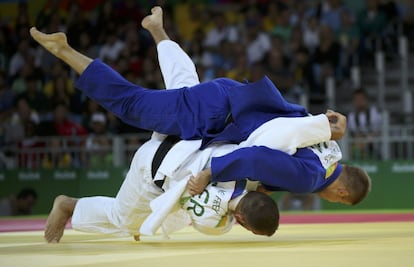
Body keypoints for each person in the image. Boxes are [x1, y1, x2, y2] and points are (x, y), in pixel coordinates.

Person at [41, 9, 344, 244]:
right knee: (130, 105)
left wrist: (324, 127)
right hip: (208, 119)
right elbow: (258, 157)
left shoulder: (291, 161)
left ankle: (157, 29)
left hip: (215, 116)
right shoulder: (276, 177)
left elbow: (287, 131)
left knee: (184, 83)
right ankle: (64, 50)